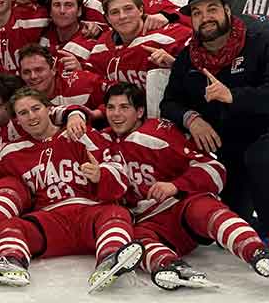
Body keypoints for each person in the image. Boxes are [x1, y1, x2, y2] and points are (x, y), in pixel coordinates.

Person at [0, 87, 141, 291]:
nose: (31, 117)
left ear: (48, 109)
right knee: (12, 225)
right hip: (49, 221)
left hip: (90, 213)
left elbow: (120, 176)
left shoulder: (79, 135)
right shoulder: (11, 152)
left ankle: (111, 257)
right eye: (23, 113)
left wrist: (101, 175)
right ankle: (9, 262)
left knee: (116, 213)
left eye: (36, 108)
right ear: (16, 120)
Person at [103, 82, 269, 289]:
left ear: (139, 111)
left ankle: (255, 250)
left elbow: (214, 168)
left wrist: (175, 186)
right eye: (111, 107)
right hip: (148, 223)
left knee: (203, 205)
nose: (116, 114)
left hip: (181, 211)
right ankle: (167, 264)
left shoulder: (158, 133)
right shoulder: (103, 140)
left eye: (124, 107)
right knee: (132, 240)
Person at [160, 0, 269, 234]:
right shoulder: (189, 58)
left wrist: (232, 95)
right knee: (228, 224)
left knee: (260, 158)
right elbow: (169, 102)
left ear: (227, 11)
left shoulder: (259, 42)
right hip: (225, 149)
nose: (205, 17)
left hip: (262, 139)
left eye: (212, 9)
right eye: (197, 13)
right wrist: (191, 119)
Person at [88, 0, 191, 89]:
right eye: (115, 12)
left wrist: (175, 64)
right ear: (107, 19)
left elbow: (201, 74)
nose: (122, 16)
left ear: (141, 10)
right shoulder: (101, 47)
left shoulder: (173, 35)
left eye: (128, 9)